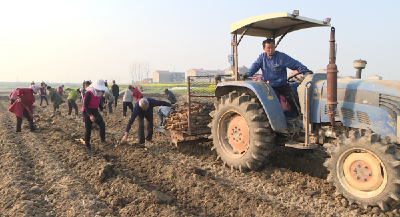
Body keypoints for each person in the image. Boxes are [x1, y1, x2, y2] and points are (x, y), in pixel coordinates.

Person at [243, 38, 309, 115]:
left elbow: (295, 64)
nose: (271, 50)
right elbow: (255, 66)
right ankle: (278, 121)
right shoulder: (262, 57)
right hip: (270, 86)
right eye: (268, 48)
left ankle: (299, 117)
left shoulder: (282, 57)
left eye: (272, 47)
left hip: (283, 85)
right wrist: (248, 74)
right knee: (274, 103)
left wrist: (305, 71)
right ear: (264, 48)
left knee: (294, 100)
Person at [81, 79, 109, 151]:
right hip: (87, 111)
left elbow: (99, 103)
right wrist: (90, 115)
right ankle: (87, 145)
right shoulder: (89, 93)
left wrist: (102, 109)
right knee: (88, 127)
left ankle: (103, 141)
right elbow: (85, 105)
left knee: (102, 124)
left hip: (95, 110)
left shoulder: (99, 94)